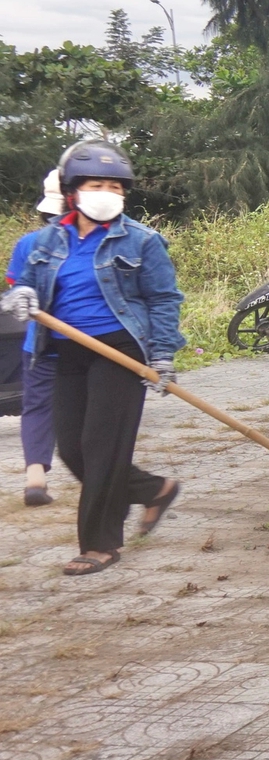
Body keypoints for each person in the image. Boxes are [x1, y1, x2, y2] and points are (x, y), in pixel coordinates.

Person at [3, 143, 183, 576]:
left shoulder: (142, 240)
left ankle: (99, 545)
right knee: (72, 450)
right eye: (96, 185)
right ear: (73, 192)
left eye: (115, 187)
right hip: (66, 351)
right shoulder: (45, 241)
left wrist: (161, 355)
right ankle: (155, 488)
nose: (107, 192)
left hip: (120, 352)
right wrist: (22, 295)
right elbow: (24, 283)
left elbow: (163, 299)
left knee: (103, 450)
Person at [7, 170, 66, 507]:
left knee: (37, 409)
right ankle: (102, 479)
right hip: (84, 347)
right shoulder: (99, 244)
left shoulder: (27, 243)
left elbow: (17, 290)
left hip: (38, 346)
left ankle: (35, 479)